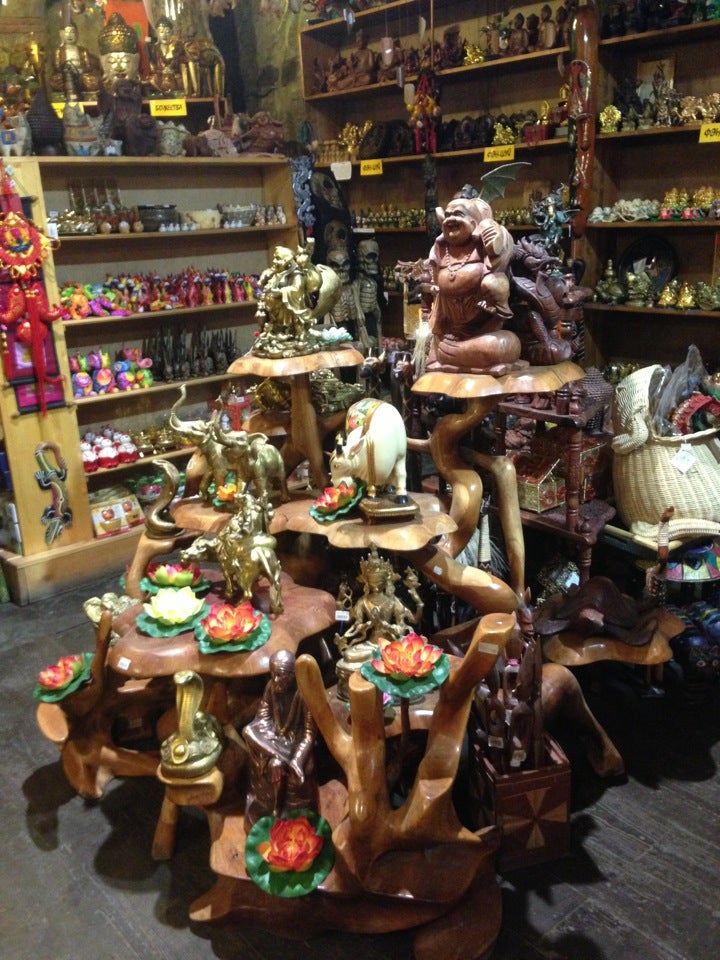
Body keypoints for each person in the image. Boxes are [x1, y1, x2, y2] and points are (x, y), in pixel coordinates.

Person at [242, 650, 318, 826]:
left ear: (292, 675)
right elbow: (261, 719)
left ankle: (280, 808)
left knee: (278, 766)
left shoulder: (304, 693)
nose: (275, 680)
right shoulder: (271, 687)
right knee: (248, 731)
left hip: (295, 744)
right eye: (273, 674)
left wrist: (297, 760)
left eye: (281, 675)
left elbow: (308, 734)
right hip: (274, 741)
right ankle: (281, 759)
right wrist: (274, 747)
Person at [49, 20, 102, 101]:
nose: (69, 35)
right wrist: (65, 70)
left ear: (77, 34)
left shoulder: (82, 50)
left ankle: (85, 93)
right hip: (65, 75)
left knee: (93, 80)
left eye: (72, 32)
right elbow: (57, 66)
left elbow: (88, 66)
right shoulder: (59, 51)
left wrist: (81, 70)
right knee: (56, 79)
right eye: (67, 32)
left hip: (80, 75)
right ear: (61, 34)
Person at [147, 16, 185, 95]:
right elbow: (153, 66)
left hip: (174, 75)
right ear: (157, 33)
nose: (164, 35)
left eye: (167, 32)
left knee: (181, 80)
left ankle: (175, 92)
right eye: (161, 32)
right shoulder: (154, 49)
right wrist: (161, 71)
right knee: (152, 80)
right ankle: (162, 92)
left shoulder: (176, 48)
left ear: (172, 33)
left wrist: (173, 70)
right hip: (160, 76)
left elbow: (181, 65)